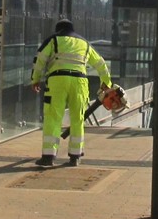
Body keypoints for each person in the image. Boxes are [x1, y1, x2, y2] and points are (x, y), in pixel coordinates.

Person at [30, 18, 111, 167]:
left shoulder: (53, 40)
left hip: (57, 80)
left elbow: (40, 60)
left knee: (53, 117)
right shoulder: (84, 43)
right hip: (79, 82)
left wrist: (35, 79)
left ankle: (48, 156)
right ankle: (75, 156)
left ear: (58, 29)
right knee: (77, 118)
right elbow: (100, 63)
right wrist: (106, 83)